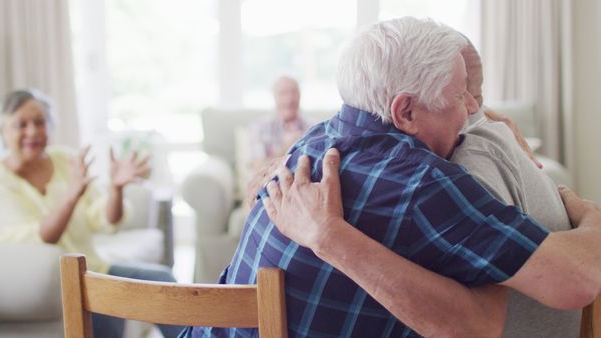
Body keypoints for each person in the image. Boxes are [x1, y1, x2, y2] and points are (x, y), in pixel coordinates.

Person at [184, 18, 601, 337]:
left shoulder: (317, 138)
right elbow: (575, 284)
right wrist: (588, 213)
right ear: (404, 111)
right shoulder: (422, 184)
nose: (473, 110)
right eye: (461, 96)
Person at [0, 89, 183, 338]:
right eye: (21, 124)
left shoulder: (65, 159)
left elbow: (105, 220)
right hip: (45, 283)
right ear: (3, 132)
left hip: (92, 270)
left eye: (40, 122)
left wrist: (116, 189)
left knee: (163, 281)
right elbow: (39, 241)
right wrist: (71, 195)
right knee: (103, 305)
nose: (32, 132)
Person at [247, 76, 312, 170]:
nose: (290, 99)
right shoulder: (259, 127)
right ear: (274, 96)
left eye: (294, 92)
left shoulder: (313, 126)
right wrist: (290, 146)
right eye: (283, 93)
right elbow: (259, 169)